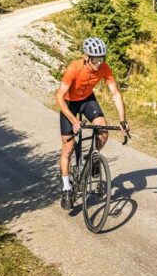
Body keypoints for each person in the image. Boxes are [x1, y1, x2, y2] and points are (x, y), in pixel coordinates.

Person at [55, 37, 129, 210]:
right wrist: (74, 121)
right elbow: (58, 97)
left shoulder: (104, 68)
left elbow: (116, 94)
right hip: (69, 103)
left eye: (102, 58)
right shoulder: (74, 68)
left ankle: (92, 158)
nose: (99, 63)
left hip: (88, 99)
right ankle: (66, 186)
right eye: (95, 59)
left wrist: (123, 120)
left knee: (103, 132)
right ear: (86, 57)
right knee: (68, 147)